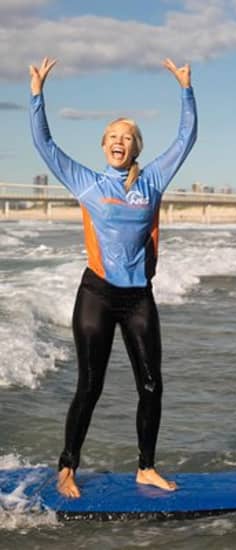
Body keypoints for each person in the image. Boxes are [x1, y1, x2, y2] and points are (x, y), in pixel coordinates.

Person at [29, 57, 197, 498]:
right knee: (91, 383)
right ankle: (67, 466)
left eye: (127, 137)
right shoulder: (85, 181)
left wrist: (185, 89)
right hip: (97, 295)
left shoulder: (154, 180)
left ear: (136, 147)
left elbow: (186, 138)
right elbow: (46, 145)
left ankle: (146, 467)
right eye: (114, 137)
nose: (120, 142)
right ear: (104, 146)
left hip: (138, 297)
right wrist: (36, 96)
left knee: (152, 384)